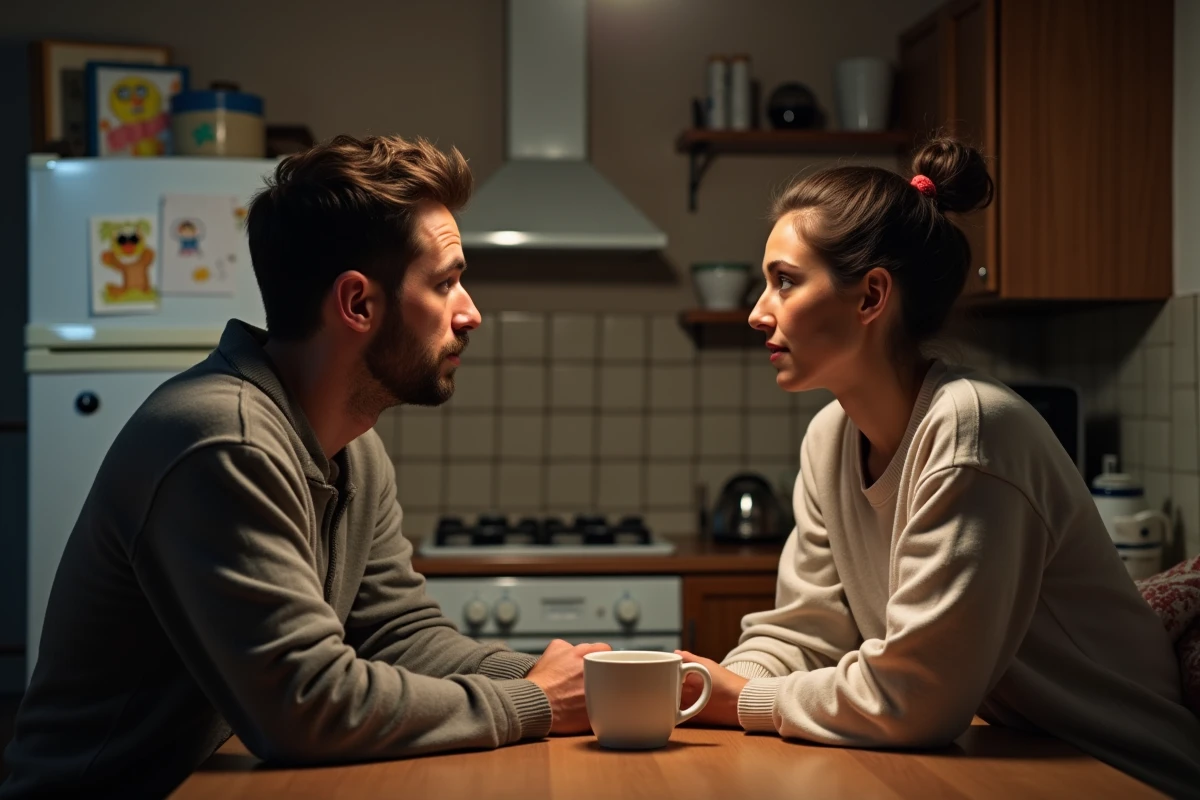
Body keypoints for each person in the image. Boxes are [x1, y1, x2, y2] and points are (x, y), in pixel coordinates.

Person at [1, 135, 608, 798]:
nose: (471, 314)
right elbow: (305, 706)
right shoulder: (224, 441)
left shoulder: (351, 446)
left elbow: (397, 636)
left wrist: (581, 683)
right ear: (357, 304)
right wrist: (538, 703)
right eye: (445, 283)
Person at [675, 138, 1200, 797]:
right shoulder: (829, 437)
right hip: (1011, 756)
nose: (758, 311)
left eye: (784, 280)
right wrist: (702, 689)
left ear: (871, 297)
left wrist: (740, 701)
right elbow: (804, 632)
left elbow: (915, 699)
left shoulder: (970, 431)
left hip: (1121, 770)